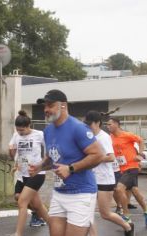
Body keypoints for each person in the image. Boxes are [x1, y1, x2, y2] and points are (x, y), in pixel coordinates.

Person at [29, 89, 105, 236]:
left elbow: (98, 155)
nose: (46, 110)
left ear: (63, 105)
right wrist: (40, 166)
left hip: (81, 193)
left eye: (50, 105)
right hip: (59, 192)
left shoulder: (78, 128)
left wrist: (71, 168)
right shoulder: (48, 130)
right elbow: (52, 157)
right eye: (45, 106)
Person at [84, 111, 134, 236]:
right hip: (90, 180)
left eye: (90, 124)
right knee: (86, 214)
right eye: (86, 124)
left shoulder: (103, 137)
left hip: (104, 180)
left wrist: (94, 158)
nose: (88, 126)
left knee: (105, 214)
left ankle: (127, 226)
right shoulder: (88, 136)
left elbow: (111, 157)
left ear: (98, 123)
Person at [107, 117, 147, 227]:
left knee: (119, 189)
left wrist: (140, 155)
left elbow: (141, 140)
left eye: (110, 124)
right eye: (107, 124)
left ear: (117, 124)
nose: (108, 126)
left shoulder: (126, 135)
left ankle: (126, 215)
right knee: (135, 191)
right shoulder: (110, 138)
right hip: (122, 168)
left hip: (132, 166)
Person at [9, 110, 49, 236]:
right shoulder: (16, 135)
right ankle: (53, 224)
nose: (20, 133)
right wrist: (12, 154)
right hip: (22, 174)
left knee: (22, 202)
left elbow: (49, 153)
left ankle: (18, 233)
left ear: (29, 126)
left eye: (22, 130)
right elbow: (14, 154)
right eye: (18, 130)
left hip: (36, 173)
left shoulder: (39, 134)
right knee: (37, 205)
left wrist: (41, 164)